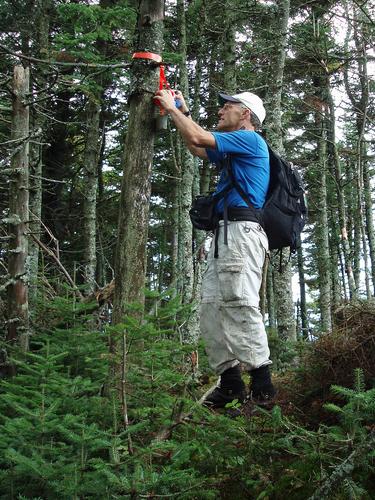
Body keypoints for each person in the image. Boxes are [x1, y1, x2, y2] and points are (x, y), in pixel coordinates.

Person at [155, 88, 276, 409]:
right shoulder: (234, 146)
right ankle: (231, 383)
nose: (222, 110)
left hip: (241, 233)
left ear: (245, 114)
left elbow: (198, 136)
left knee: (238, 302)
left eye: (228, 106)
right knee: (210, 306)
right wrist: (181, 109)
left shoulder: (250, 140)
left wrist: (172, 109)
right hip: (225, 234)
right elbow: (196, 145)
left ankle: (263, 386)